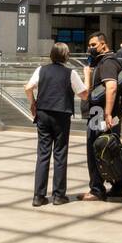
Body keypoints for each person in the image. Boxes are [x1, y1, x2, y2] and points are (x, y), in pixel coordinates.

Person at [25, 42, 86, 206]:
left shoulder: (41, 70)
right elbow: (84, 95)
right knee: (60, 153)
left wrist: (33, 104)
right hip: (61, 114)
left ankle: (38, 196)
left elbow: (28, 88)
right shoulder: (70, 73)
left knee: (43, 154)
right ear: (66, 56)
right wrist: (88, 77)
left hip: (43, 113)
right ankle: (59, 195)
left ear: (51, 55)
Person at [82, 33, 122, 201]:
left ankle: (96, 189)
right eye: (89, 45)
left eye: (94, 45)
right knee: (111, 149)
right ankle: (118, 186)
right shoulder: (107, 61)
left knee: (94, 149)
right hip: (107, 114)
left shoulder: (108, 62)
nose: (90, 48)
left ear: (103, 44)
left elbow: (111, 88)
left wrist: (108, 113)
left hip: (100, 114)